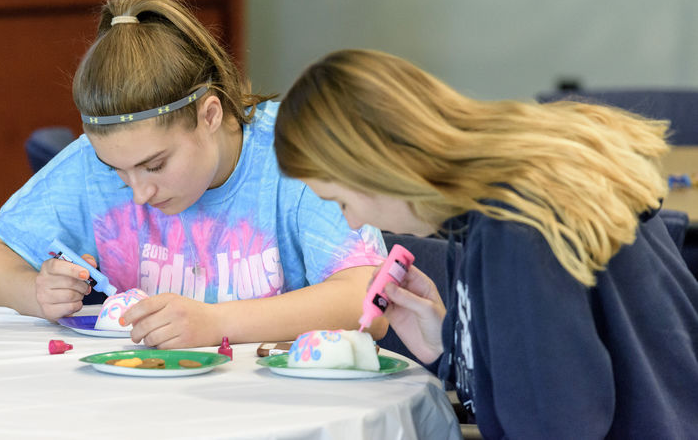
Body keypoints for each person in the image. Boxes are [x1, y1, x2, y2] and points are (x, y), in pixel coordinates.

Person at [273, 48, 698, 439]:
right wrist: (451, 346)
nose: (352, 221)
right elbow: (553, 366)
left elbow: (557, 424)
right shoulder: (521, 182)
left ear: (377, 167)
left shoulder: (516, 227)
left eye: (342, 201)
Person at [0, 0, 388, 349]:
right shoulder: (95, 162)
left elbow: (372, 301)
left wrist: (216, 322)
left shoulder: (296, 152)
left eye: (155, 165)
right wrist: (35, 293)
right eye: (117, 171)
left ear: (210, 115)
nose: (139, 192)